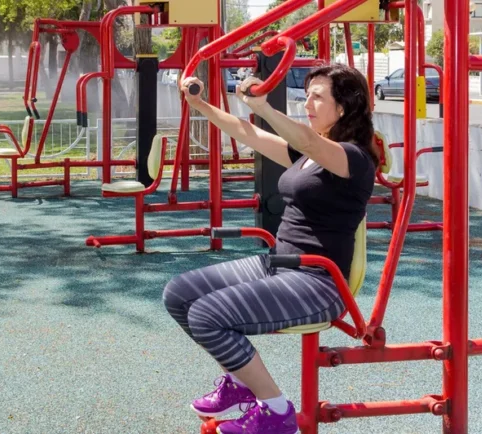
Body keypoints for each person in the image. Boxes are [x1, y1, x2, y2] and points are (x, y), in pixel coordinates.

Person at [162, 63, 379, 434]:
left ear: (343, 108)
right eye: (307, 94)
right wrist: (202, 105)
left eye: (317, 97)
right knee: (179, 295)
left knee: (206, 316)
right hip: (280, 264)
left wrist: (262, 106)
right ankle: (241, 383)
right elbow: (249, 135)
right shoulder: (308, 155)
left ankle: (276, 412)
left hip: (318, 282)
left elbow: (310, 141)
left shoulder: (354, 157)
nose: (307, 102)